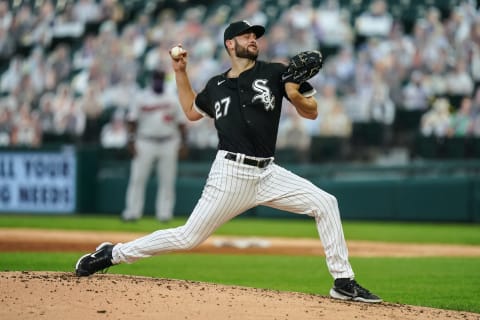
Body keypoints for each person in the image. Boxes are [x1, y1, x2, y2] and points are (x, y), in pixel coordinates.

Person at [75, 20, 382, 303]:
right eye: (246, 36)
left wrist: (293, 92)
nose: (253, 40)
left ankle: (343, 281)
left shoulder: (276, 73)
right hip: (230, 174)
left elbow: (312, 111)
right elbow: (191, 111)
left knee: (325, 203)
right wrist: (180, 73)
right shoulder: (215, 86)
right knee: (187, 237)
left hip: (268, 172)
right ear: (229, 44)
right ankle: (113, 253)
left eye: (255, 36)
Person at [121, 69, 187, 222]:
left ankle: (165, 214)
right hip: (145, 141)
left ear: (164, 80)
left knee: (167, 180)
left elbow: (181, 123)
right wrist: (131, 141)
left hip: (168, 142)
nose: (158, 81)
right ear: (151, 80)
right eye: (156, 78)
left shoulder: (172, 98)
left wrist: (184, 143)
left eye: (160, 78)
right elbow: (132, 121)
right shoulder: (141, 97)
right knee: (138, 178)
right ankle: (132, 212)